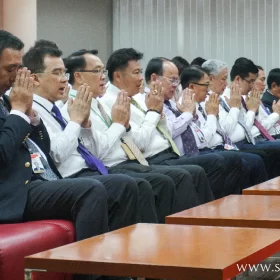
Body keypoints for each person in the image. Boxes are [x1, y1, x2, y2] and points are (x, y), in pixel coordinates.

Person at [0, 30, 137, 280]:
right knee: (90, 190)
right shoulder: (12, 102)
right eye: (11, 69)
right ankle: (93, 277)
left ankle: (126, 270)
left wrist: (29, 116)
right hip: (13, 190)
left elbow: (40, 147)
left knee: (121, 185)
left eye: (20, 68)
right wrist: (19, 113)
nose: (18, 76)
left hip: (36, 178)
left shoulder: (7, 100)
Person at [63, 48, 207, 216]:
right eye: (97, 71)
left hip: (139, 159)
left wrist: (157, 113)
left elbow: (162, 134)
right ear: (78, 76)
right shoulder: (96, 102)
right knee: (171, 180)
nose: (103, 76)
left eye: (103, 71)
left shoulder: (107, 101)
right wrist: (150, 113)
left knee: (193, 172)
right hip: (120, 164)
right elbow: (129, 144)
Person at [101, 48, 225, 200]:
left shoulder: (138, 98)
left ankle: (208, 218)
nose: (141, 78)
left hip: (168, 153)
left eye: (141, 72)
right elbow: (139, 143)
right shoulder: (111, 102)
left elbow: (165, 132)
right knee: (187, 174)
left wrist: (159, 113)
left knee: (202, 169)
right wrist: (153, 112)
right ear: (118, 76)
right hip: (148, 159)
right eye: (136, 73)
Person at [220, 57, 280, 179]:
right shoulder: (224, 99)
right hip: (237, 144)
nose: (253, 86)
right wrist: (251, 110)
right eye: (251, 81)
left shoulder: (244, 96)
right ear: (238, 79)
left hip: (252, 139)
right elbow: (237, 132)